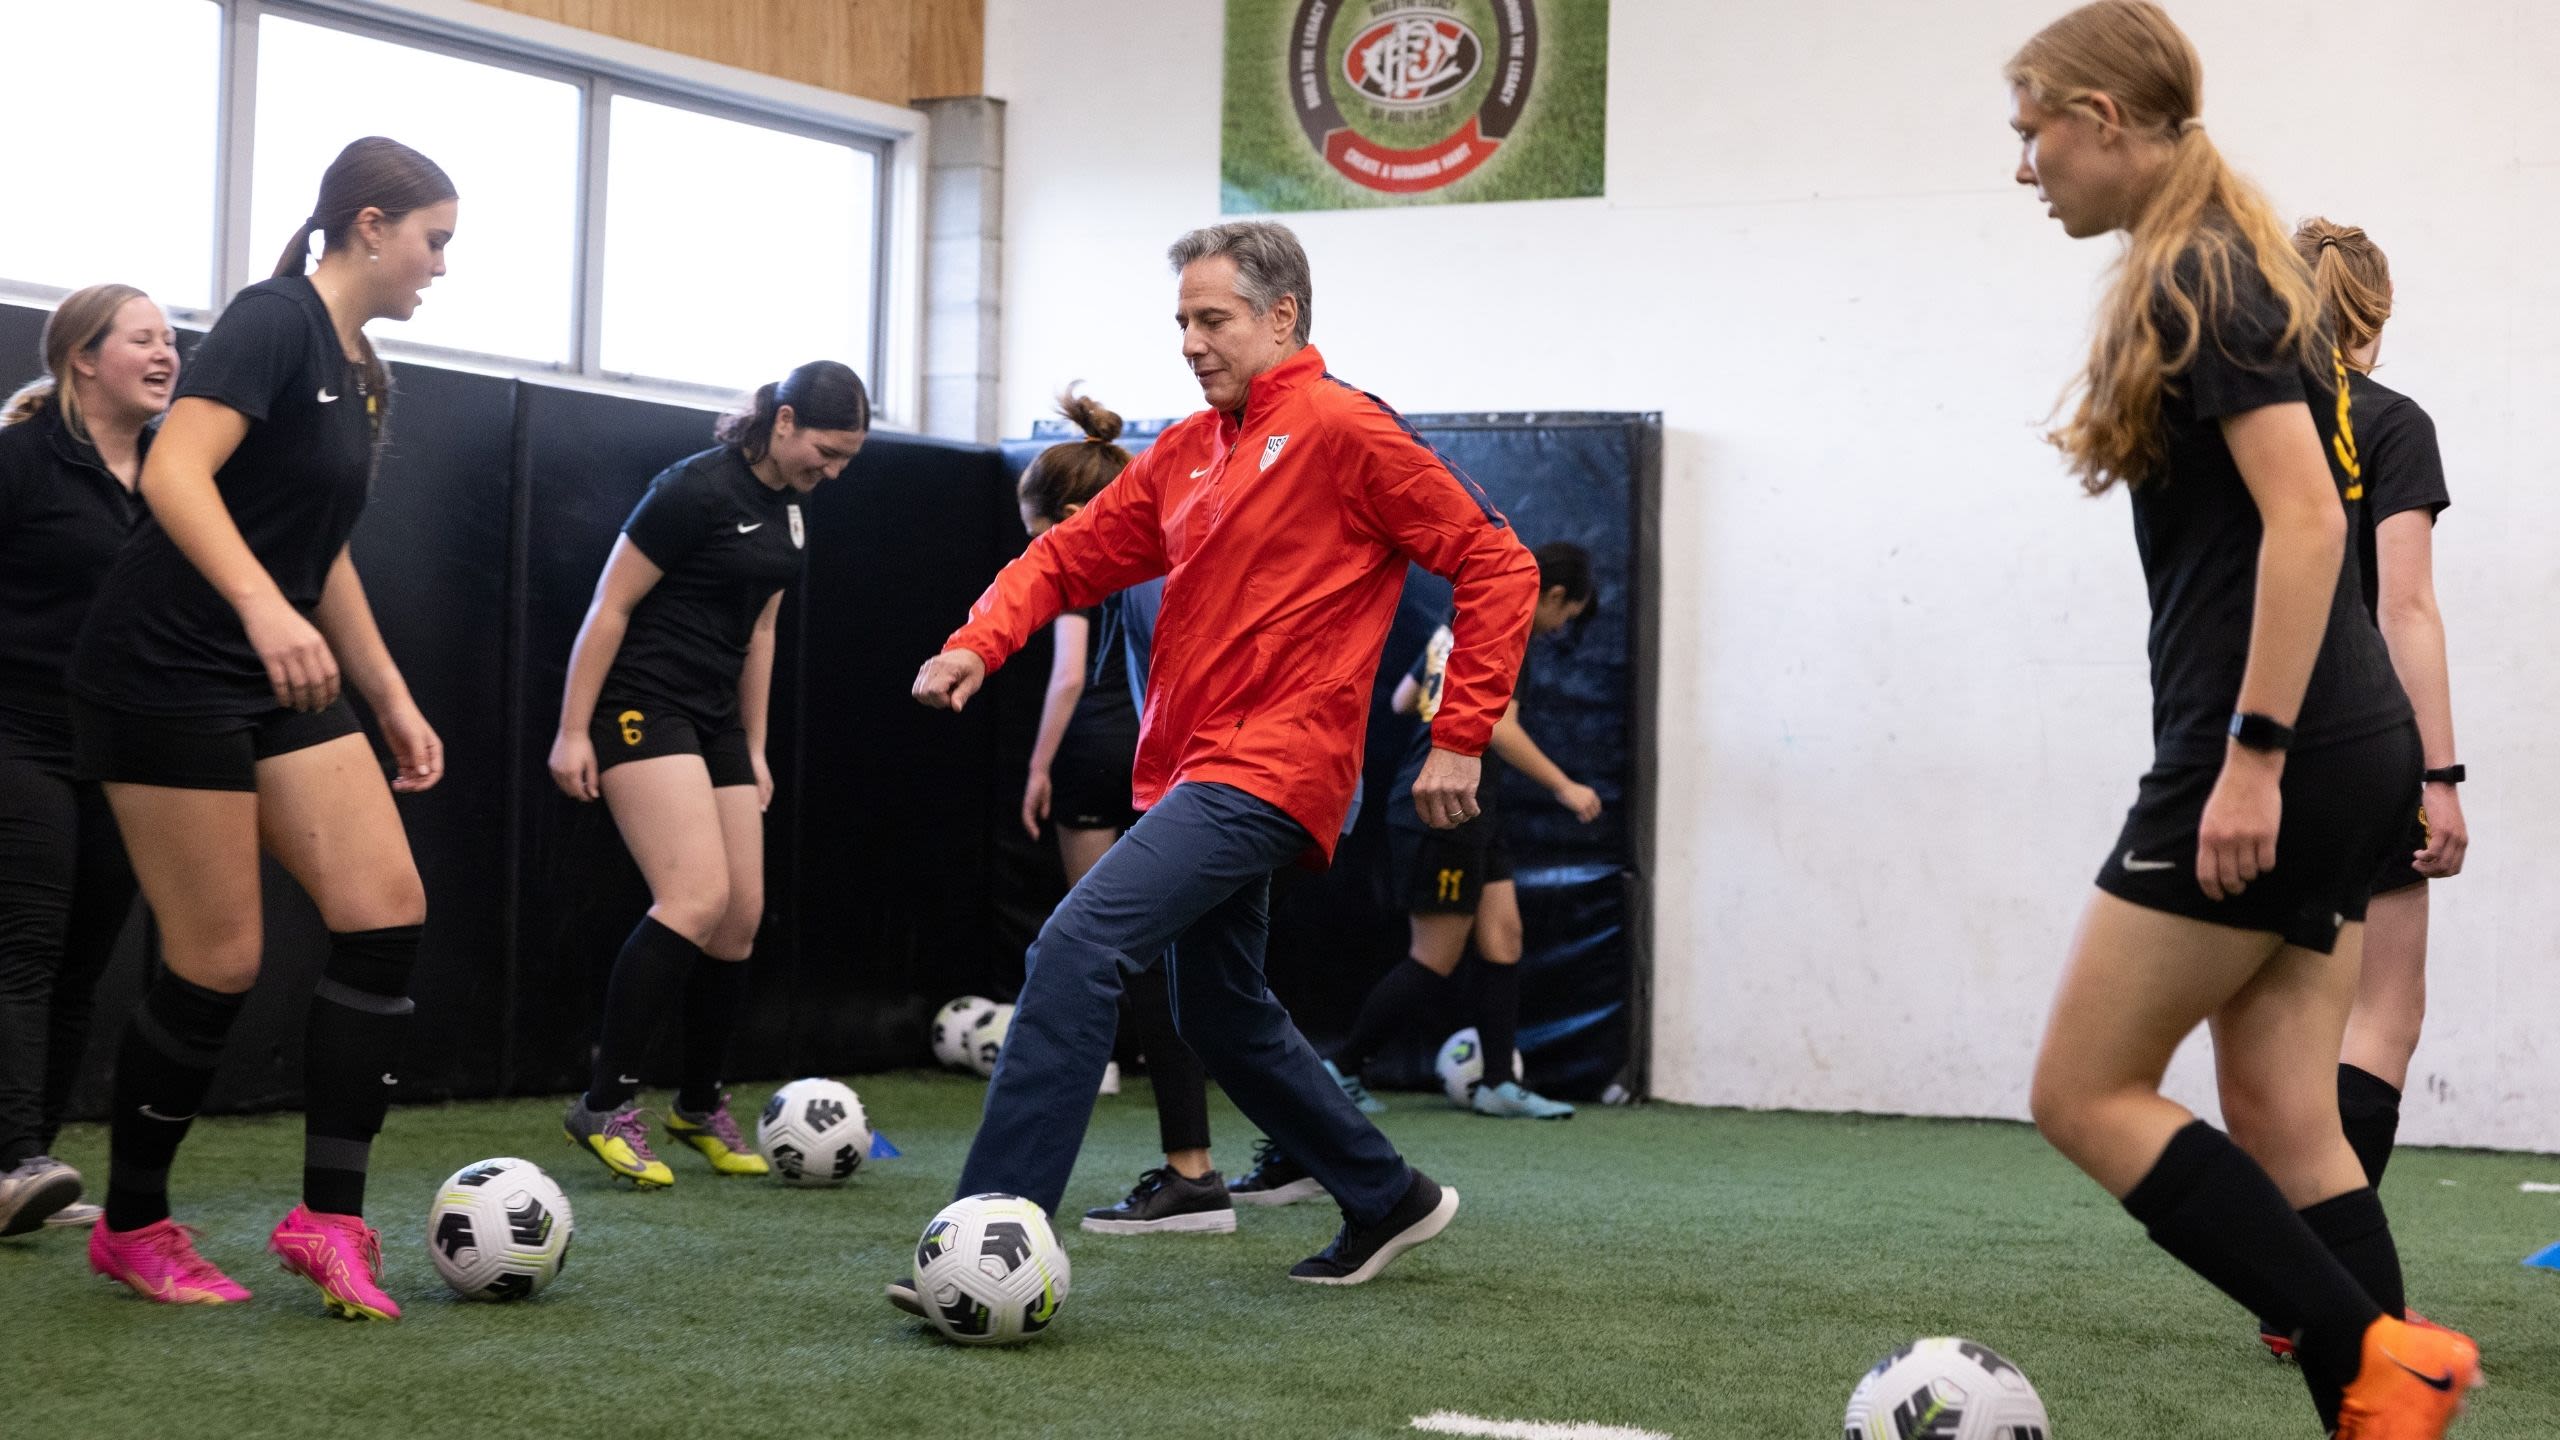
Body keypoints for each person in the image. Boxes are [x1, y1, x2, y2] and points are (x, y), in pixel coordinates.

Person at [898, 220, 1538, 1311]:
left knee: (1076, 944)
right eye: (1182, 322)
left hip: (1275, 768)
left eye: (1213, 319)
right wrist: (979, 637)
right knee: (1218, 1009)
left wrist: (1459, 731)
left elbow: (1495, 560)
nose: (1192, 342)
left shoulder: (1344, 430)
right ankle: (1385, 1195)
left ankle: (990, 1226)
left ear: (1281, 316)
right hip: (1189, 771)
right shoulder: (1190, 451)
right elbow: (1070, 553)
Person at [2005, 6, 2480, 1435]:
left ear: (2102, 114)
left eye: (2032, 131)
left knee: (2084, 1091)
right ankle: (2385, 1398)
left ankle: (2382, 1359)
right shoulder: (2218, 258)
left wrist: (2251, 759)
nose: (2026, 167)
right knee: (2285, 1114)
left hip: (2281, 749)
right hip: (2347, 751)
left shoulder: (2201, 273)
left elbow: (2305, 519)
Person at [65, 137, 456, 1320]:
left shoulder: (364, 369)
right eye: (436, 240)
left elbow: (317, 549)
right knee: (218, 960)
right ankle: (133, 1228)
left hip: (272, 666)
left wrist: (386, 692)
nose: (442, 266)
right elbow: (176, 471)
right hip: (165, 663)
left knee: (384, 910)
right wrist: (257, 609)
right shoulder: (273, 317)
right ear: (372, 225)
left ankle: (328, 1221)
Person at [549, 361, 870, 1188]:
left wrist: (755, 747)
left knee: (740, 917)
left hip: (714, 719)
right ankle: (603, 1102)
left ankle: (697, 1106)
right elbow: (608, 607)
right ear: (786, 420)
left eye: (846, 460)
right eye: (826, 452)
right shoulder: (692, 490)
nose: (831, 472)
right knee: (692, 899)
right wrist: (571, 730)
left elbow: (760, 631)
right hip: (641, 703)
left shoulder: (794, 510)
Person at [2247, 218, 2466, 1359]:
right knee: (2381, 1012)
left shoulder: (2246, 423)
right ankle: (2317, 1296)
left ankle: (2293, 1285)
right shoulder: (2391, 423)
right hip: (2362, 743)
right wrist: (2441, 773)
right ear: (2372, 315)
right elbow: (2405, 607)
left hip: (2246, 745)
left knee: (2280, 1030)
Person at [1003, 390, 1235, 1236]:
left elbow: (1075, 674)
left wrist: (1042, 765)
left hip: (1175, 770)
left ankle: (1184, 1166)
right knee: (1183, 973)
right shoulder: (1155, 560)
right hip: (1187, 771)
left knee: (1103, 952)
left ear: (1072, 515)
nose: (1044, 562)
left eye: (1042, 544)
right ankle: (1210, 1169)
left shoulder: (1132, 566)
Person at [0, 286, 175, 1235]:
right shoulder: (22, 461)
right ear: (83, 358)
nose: (165, 353)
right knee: (23, 944)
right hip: (15, 733)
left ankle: (35, 1159)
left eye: (171, 340)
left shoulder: (170, 477)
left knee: (82, 959)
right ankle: (9, 1160)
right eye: (142, 339)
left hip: (119, 745)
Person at [1324, 540, 1600, 1121]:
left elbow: (1403, 700)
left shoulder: (1459, 624)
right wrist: (1565, 786)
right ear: (1551, 595)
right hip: (1441, 806)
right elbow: (1499, 728)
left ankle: (1497, 1082)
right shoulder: (1510, 625)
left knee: (1504, 936)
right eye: (1563, 617)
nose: (1555, 630)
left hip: (1471, 807)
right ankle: (1340, 1069)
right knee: (1436, 956)